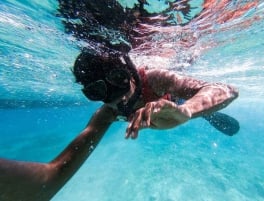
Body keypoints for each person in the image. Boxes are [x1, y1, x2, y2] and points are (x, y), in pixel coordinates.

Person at [0, 0, 243, 200]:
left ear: (129, 72)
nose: (116, 96)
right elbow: (51, 177)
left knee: (187, 101)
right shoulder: (105, 114)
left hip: (174, 101)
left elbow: (226, 89)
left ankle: (207, 113)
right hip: (168, 109)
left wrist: (189, 111)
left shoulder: (154, 78)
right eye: (97, 91)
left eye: (117, 78)